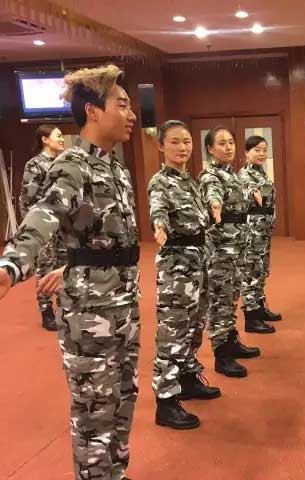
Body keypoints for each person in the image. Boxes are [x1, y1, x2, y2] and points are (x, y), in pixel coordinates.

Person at [0, 65, 139, 480]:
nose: (132, 114)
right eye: (122, 105)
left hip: (124, 305)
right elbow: (43, 216)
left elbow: (98, 240)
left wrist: (71, 263)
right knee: (95, 410)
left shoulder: (115, 167)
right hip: (91, 312)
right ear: (93, 111)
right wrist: (11, 265)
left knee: (123, 399)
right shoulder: (71, 166)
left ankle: (116, 474)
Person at [148, 120, 221, 431]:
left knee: (194, 325)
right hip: (177, 267)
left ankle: (188, 377)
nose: (182, 147)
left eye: (187, 141)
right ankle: (165, 401)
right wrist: (159, 226)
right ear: (161, 146)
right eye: (175, 142)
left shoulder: (190, 181)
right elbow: (157, 209)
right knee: (173, 331)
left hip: (198, 262)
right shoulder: (160, 182)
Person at [199, 126, 263, 379]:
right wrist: (215, 205)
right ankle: (221, 354)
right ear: (210, 149)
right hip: (221, 251)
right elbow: (213, 194)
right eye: (222, 143)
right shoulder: (210, 176)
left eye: (231, 142)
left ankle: (230, 339)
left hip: (237, 248)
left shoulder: (231, 174)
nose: (228, 147)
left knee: (231, 296)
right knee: (220, 300)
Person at [19, 124, 67, 330]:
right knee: (46, 267)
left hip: (64, 226)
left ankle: (65, 307)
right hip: (45, 226)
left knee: (65, 265)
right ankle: (46, 310)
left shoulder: (64, 162)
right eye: (58, 136)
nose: (62, 139)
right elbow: (26, 199)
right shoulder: (35, 165)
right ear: (45, 140)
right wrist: (34, 229)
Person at [239, 135, 281, 329]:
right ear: (246, 153)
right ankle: (251, 317)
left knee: (261, 270)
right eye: (257, 150)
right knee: (251, 272)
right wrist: (251, 193)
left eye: (264, 150)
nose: (262, 154)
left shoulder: (261, 173)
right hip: (252, 232)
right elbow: (245, 195)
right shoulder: (244, 175)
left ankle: (259, 307)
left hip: (263, 231)